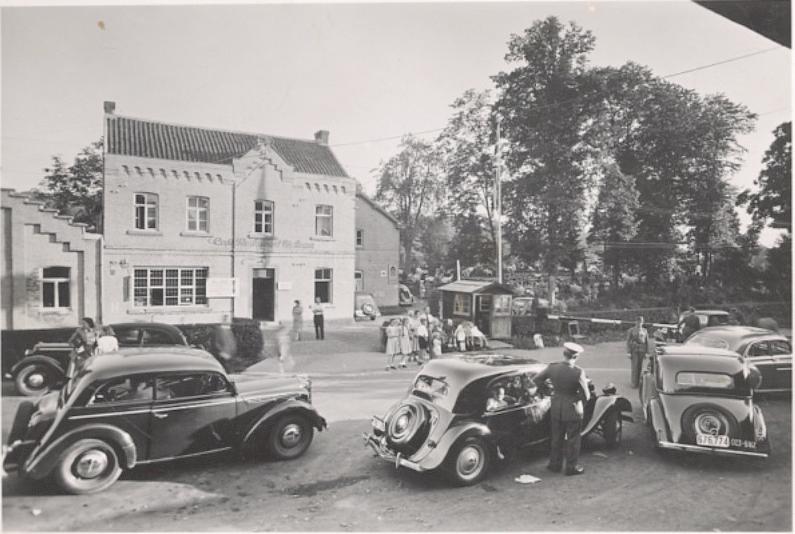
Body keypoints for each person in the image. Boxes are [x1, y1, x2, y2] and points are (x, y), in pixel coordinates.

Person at [533, 342, 590, 476]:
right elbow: (586, 395)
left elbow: (537, 379)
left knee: (556, 437)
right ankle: (571, 467)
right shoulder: (578, 372)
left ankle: (554, 464)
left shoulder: (552, 367)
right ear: (575, 356)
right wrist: (580, 403)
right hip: (572, 408)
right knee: (573, 439)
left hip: (556, 406)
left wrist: (549, 392)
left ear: (564, 353)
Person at [626, 316, 649, 388]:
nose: (639, 323)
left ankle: (638, 382)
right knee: (634, 367)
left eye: (641, 321)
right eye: (638, 321)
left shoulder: (645, 330)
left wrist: (647, 352)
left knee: (640, 367)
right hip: (634, 350)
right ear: (635, 322)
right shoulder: (631, 330)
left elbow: (647, 342)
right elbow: (628, 341)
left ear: (643, 322)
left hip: (642, 350)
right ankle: (633, 383)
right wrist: (629, 352)